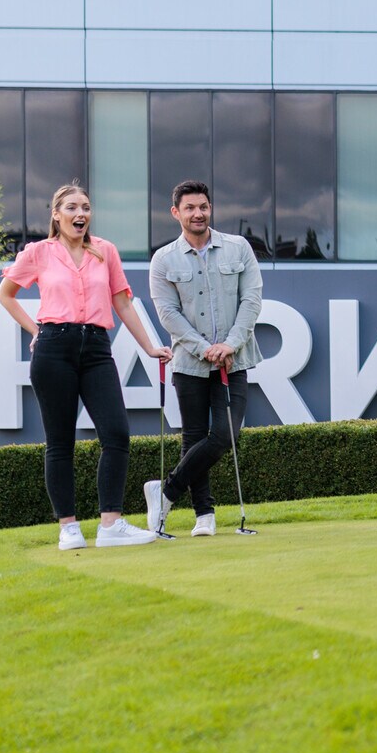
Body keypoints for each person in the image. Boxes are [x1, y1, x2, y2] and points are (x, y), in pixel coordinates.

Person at [0, 183, 167, 550]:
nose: (81, 214)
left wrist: (150, 347)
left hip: (96, 349)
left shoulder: (106, 251)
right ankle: (69, 528)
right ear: (56, 215)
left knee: (117, 434)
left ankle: (111, 525)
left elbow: (123, 304)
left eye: (86, 207)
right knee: (60, 442)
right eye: (72, 207)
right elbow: (5, 294)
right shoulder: (38, 252)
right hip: (53, 348)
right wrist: (36, 331)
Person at [144, 181, 262, 539]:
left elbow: (251, 301)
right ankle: (204, 515)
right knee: (193, 436)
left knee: (225, 435)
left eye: (204, 207)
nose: (198, 214)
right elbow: (168, 313)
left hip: (233, 360)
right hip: (190, 363)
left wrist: (229, 344)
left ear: (210, 209)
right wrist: (204, 348)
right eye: (190, 208)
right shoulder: (163, 259)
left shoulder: (238, 248)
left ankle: (165, 492)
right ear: (175, 212)